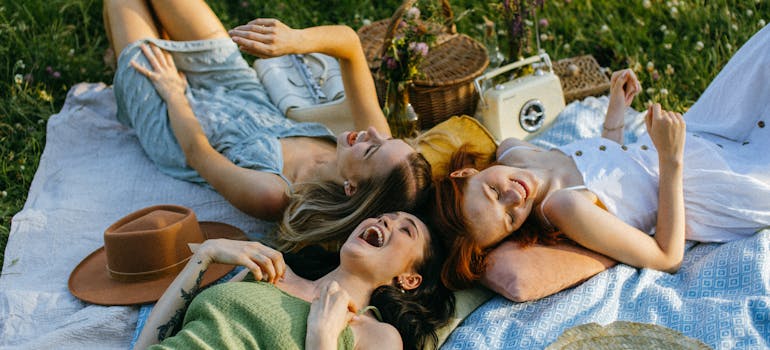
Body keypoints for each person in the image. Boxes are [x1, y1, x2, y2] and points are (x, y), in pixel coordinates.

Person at [432, 24, 770, 290]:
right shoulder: (564, 207)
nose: (513, 197)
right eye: (509, 219)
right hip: (702, 182)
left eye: (492, 193)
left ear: (464, 174)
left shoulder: (513, 150)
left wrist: (615, 112)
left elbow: (608, 173)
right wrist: (670, 159)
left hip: (691, 136)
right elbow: (667, 257)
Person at [103, 0, 432, 250]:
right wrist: (292, 40)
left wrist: (174, 92)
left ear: (352, 188)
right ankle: (132, 42)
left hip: (180, 121)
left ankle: (129, 46)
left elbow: (197, 153)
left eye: (372, 146)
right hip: (238, 88)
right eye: (384, 137)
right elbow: (349, 44)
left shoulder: (273, 195)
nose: (372, 131)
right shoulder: (372, 151)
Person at [134, 211, 455, 350]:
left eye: (406, 229)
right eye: (386, 215)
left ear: (410, 279)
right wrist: (204, 256)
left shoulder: (376, 334)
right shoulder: (271, 269)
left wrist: (322, 336)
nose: (386, 220)